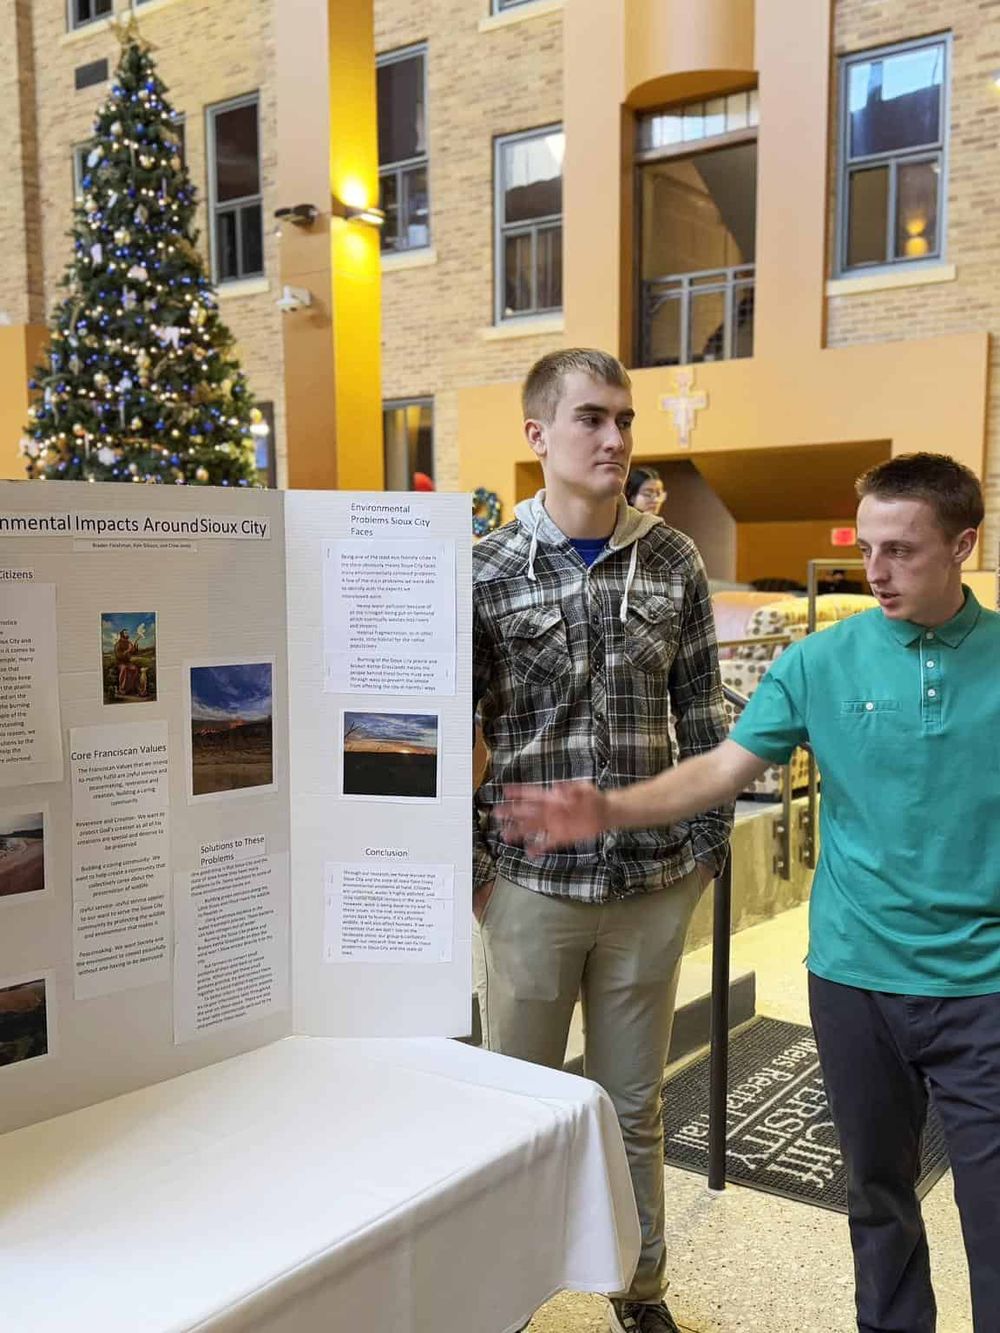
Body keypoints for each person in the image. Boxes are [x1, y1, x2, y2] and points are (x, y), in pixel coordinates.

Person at [502, 452, 1000, 1333]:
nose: (876, 570)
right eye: (867, 548)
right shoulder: (819, 661)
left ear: (964, 545)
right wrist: (609, 807)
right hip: (854, 976)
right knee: (878, 1197)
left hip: (984, 985)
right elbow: (721, 769)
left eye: (902, 550)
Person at [473, 348, 732, 1333]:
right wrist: (479, 873)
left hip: (650, 887)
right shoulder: (488, 567)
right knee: (516, 1112)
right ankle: (504, 1301)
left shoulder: (672, 560)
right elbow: (449, 736)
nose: (616, 437)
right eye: (591, 417)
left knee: (633, 1109)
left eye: (624, 418)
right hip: (530, 890)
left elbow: (703, 717)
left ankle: (639, 1289)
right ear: (537, 433)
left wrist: (703, 851)